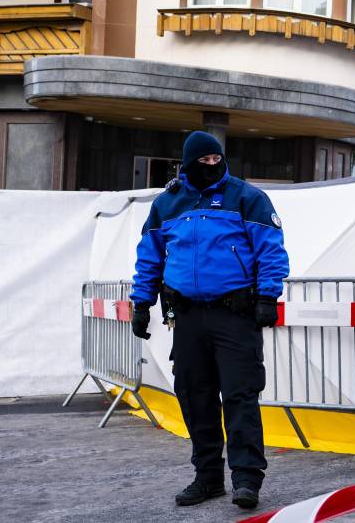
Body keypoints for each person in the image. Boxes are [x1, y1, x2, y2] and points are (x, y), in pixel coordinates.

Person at [129, 131, 289, 510]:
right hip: (186, 318)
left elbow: (270, 250)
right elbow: (149, 256)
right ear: (188, 162)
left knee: (239, 397)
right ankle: (208, 478)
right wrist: (141, 303)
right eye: (204, 160)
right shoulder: (167, 203)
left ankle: (247, 479)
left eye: (218, 159)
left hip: (235, 315)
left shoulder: (247, 197)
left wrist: (268, 296)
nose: (212, 166)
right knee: (194, 396)